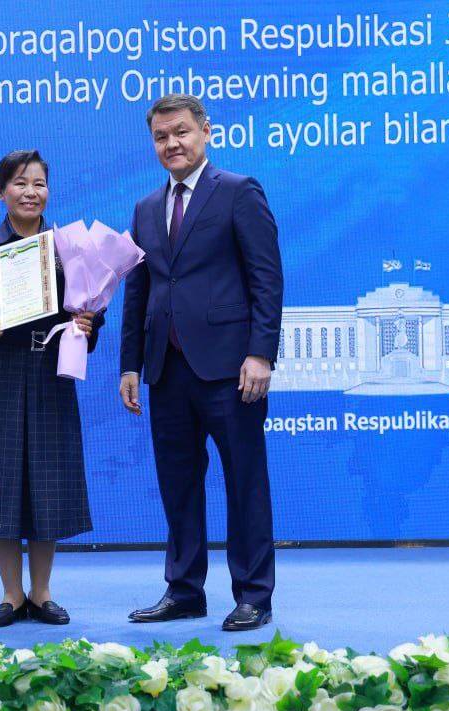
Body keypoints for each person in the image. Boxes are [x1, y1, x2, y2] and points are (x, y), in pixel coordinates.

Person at [119, 94, 284, 631]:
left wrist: (260, 353)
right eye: (161, 137)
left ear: (206, 132)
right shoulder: (145, 208)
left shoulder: (238, 191)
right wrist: (130, 365)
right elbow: (138, 291)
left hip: (231, 369)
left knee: (245, 481)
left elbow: (266, 279)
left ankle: (254, 595)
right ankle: (184, 590)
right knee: (178, 484)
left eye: (181, 132)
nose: (172, 144)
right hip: (166, 369)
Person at [0, 150, 102, 627]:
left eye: (39, 184)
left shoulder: (68, 249)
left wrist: (87, 323)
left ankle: (42, 592)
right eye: (20, 184)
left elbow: (93, 313)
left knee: (48, 482)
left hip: (49, 373)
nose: (31, 192)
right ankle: (11, 594)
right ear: (1, 192)